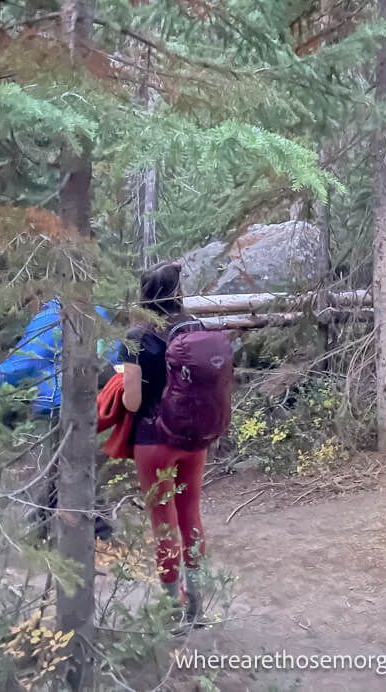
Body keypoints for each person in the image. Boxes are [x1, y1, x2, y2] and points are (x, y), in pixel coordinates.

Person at [119, 262, 231, 626]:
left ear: (144, 294)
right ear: (178, 293)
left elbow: (132, 403)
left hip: (154, 441)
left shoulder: (136, 337)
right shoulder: (193, 329)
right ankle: (196, 603)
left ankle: (171, 609)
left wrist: (117, 390)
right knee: (190, 515)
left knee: (163, 522)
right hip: (193, 437)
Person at [0, 298, 121, 540]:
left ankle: (94, 531)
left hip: (55, 406)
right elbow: (113, 354)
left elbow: (23, 363)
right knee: (66, 469)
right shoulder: (97, 312)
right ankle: (44, 527)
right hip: (94, 404)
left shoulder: (51, 317)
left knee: (64, 469)